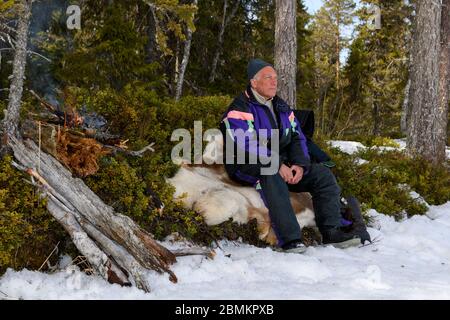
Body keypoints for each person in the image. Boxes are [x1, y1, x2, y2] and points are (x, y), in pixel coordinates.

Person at [219, 58, 370, 253]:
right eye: (268, 77)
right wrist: (278, 164)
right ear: (253, 82)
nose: (274, 81)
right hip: (244, 164)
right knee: (271, 171)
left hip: (281, 162)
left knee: (322, 176)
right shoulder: (239, 109)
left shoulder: (281, 107)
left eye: (275, 77)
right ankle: (290, 240)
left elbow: (298, 137)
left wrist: (299, 164)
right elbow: (247, 144)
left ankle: (332, 232)